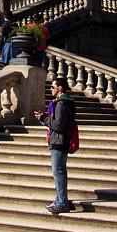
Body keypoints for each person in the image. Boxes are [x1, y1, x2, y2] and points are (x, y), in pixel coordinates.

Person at [34, 77, 76, 213]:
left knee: (58, 173)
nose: (50, 89)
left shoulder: (61, 104)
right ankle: (59, 200)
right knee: (59, 172)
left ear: (60, 88)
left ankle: (62, 202)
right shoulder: (63, 103)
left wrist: (44, 119)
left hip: (59, 141)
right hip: (60, 141)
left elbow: (58, 125)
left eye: (53, 87)